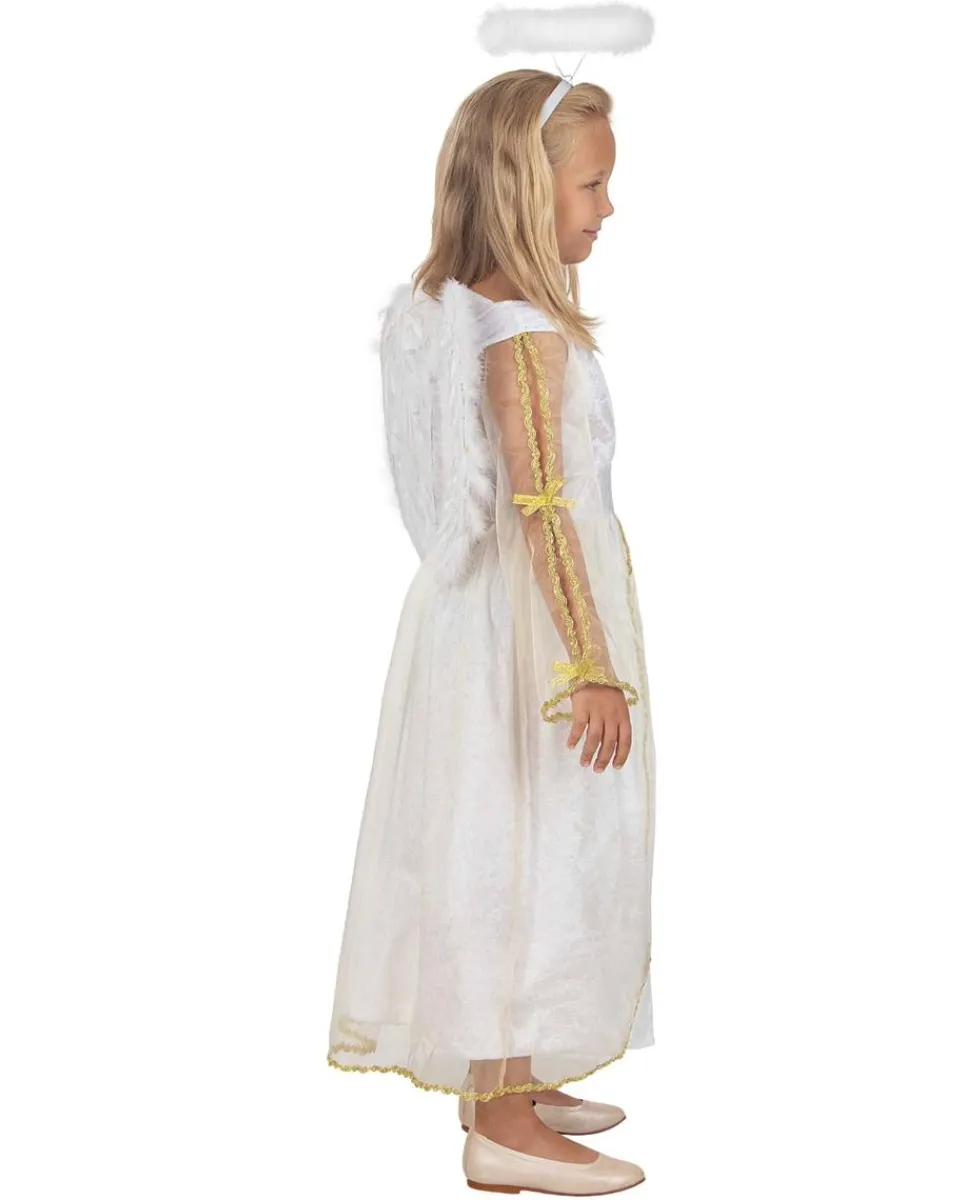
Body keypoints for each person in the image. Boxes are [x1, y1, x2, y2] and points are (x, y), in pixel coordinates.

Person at [326, 68, 656, 1195]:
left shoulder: (454, 308)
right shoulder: (522, 334)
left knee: (496, 836)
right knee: (530, 849)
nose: (606, 208)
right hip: (533, 636)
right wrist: (591, 666)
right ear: (524, 188)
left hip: (479, 622)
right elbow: (544, 504)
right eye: (591, 186)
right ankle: (506, 1124)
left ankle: (501, 1077)